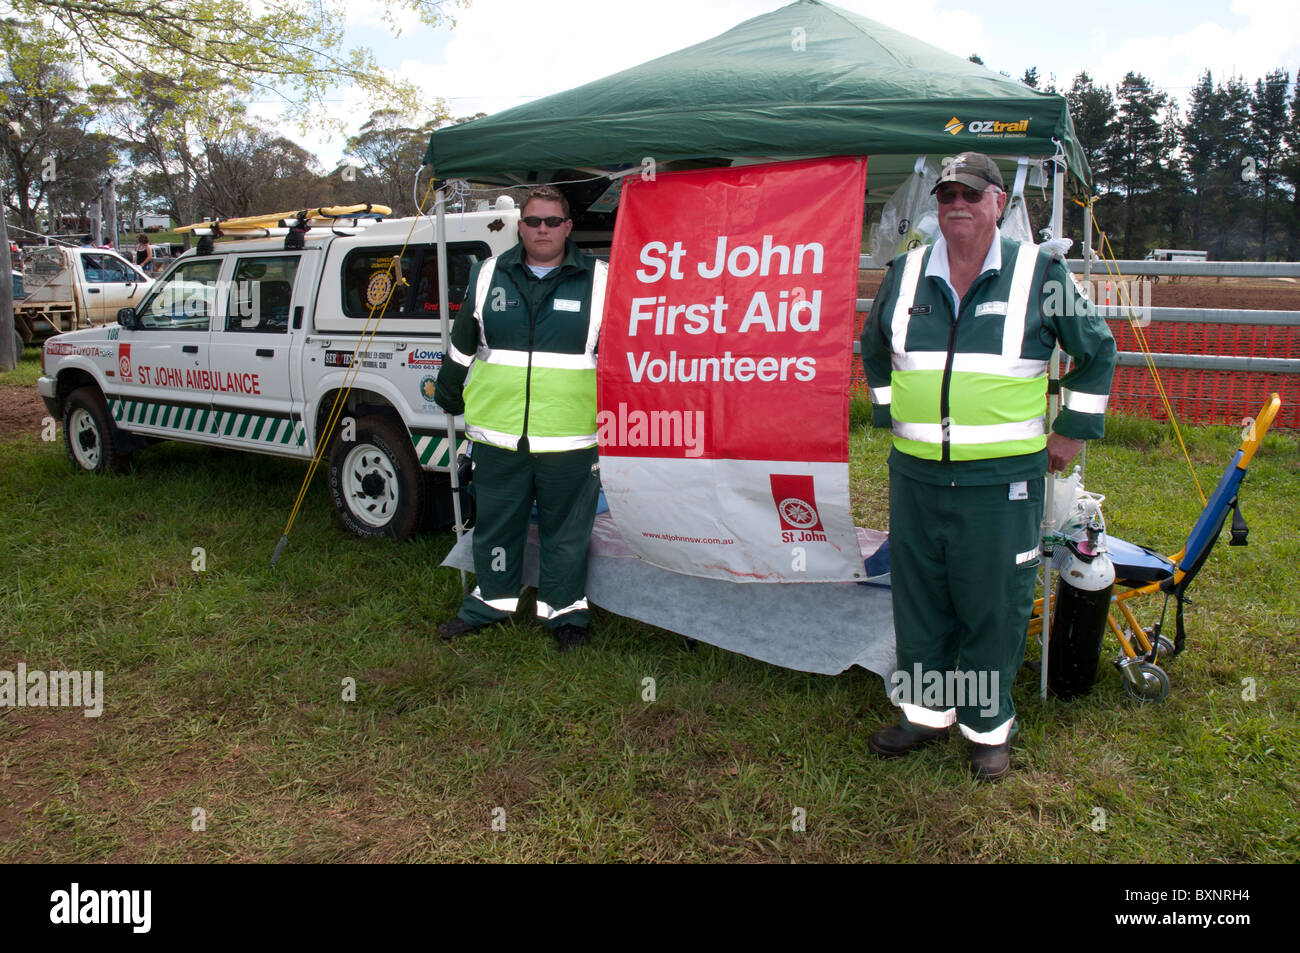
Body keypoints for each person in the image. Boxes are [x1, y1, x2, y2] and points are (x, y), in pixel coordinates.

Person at [861, 151, 1116, 781]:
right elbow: (873, 348)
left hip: (1000, 482)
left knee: (992, 602)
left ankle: (986, 727)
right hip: (916, 476)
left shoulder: (1041, 272)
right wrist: (892, 415)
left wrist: (1073, 432)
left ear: (998, 203)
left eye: (971, 195)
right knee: (920, 599)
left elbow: (1097, 351)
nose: (957, 206)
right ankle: (923, 714)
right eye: (947, 195)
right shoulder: (907, 271)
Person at [434, 185, 608, 652]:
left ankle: (565, 613)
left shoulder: (601, 279)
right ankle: (490, 603)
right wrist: (447, 391)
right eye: (534, 221)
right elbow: (462, 343)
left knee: (567, 534)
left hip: (569, 440)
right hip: (497, 436)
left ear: (568, 227)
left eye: (553, 221)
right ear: (520, 225)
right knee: (496, 526)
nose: (543, 229)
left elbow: (619, 358)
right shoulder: (488, 273)